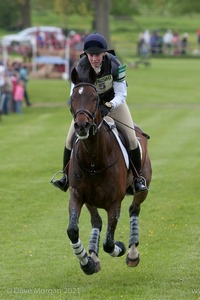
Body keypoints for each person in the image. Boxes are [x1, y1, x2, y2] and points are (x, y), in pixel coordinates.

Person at [52, 33, 147, 193]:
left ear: (104, 53)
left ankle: (137, 179)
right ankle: (65, 177)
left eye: (97, 54)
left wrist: (108, 105)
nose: (94, 58)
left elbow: (122, 94)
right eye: (91, 55)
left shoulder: (116, 65)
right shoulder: (79, 68)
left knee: (132, 138)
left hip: (113, 104)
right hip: (89, 108)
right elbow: (73, 94)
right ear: (86, 54)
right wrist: (83, 110)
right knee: (69, 139)